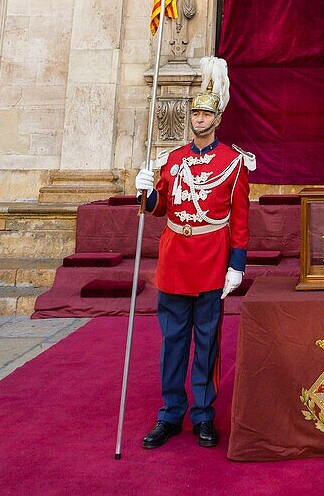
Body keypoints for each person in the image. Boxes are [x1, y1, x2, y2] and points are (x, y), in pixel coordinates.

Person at [135, 56, 255, 450]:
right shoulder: (172, 159)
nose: (199, 118)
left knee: (207, 342)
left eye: (205, 113)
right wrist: (146, 191)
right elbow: (160, 208)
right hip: (174, 259)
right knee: (173, 342)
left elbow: (239, 219)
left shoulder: (234, 163)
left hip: (210, 260)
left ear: (217, 118)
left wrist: (236, 265)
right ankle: (170, 414)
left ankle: (203, 415)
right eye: (195, 113)